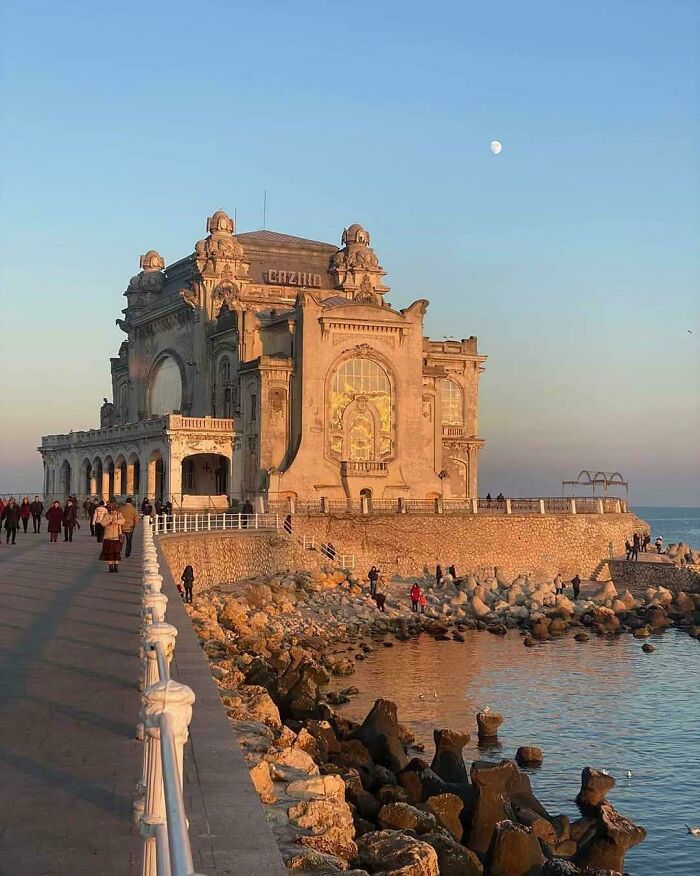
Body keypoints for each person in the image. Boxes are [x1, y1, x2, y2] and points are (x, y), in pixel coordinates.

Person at [99, 502, 125, 572]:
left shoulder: (119, 514)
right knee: (109, 553)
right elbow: (102, 523)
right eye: (110, 510)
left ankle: (116, 567)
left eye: (113, 510)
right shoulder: (106, 515)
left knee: (116, 552)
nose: (112, 512)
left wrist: (116, 521)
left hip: (117, 536)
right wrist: (109, 521)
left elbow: (123, 521)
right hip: (108, 536)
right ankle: (110, 567)